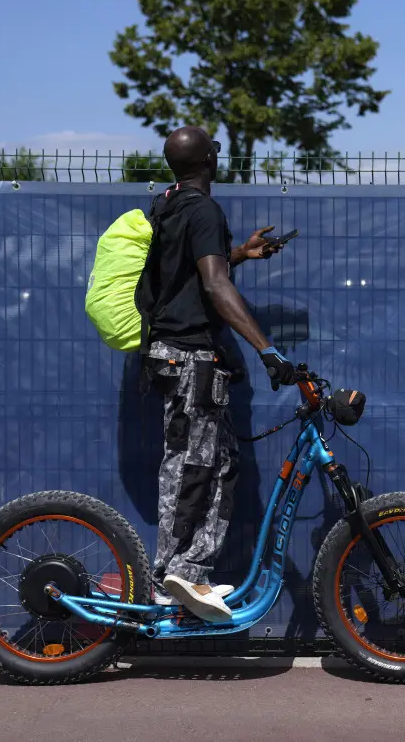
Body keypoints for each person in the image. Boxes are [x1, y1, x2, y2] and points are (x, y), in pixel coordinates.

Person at [141, 125, 297, 622]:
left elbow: (191, 271)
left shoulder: (167, 205)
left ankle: (189, 574)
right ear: (209, 157)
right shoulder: (204, 209)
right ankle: (176, 576)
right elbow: (212, 284)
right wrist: (267, 350)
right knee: (193, 466)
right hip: (190, 359)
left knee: (220, 463)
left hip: (171, 353)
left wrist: (240, 254)